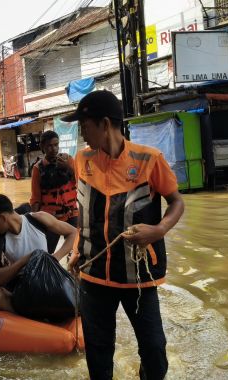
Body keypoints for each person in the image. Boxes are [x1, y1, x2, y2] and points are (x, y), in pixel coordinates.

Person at [65, 90, 185, 380]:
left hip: (139, 276)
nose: (82, 134)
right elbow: (84, 211)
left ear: (105, 124)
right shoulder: (82, 160)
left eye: (85, 126)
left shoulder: (149, 160)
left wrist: (158, 230)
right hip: (94, 273)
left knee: (154, 350)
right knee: (98, 349)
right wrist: (76, 251)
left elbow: (177, 202)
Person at [0, 194, 77, 314]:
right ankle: (27, 318)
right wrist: (23, 262)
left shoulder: (38, 219)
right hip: (23, 286)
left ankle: (31, 314)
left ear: (3, 217)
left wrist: (55, 257)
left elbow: (73, 233)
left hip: (46, 278)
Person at [30, 130, 78, 253]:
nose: (54, 149)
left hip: (72, 213)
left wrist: (67, 167)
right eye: (49, 146)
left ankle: (72, 269)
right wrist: (33, 221)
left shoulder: (68, 160)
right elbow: (35, 197)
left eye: (56, 145)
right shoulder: (37, 168)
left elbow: (80, 181)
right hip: (51, 217)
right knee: (47, 250)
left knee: (77, 248)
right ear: (43, 147)